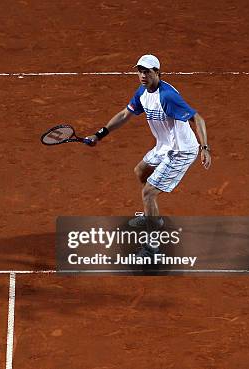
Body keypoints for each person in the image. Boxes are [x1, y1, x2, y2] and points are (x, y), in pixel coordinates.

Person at [85, 54, 212, 256]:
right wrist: (100, 134)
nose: (143, 75)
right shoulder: (142, 92)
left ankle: (152, 247)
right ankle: (151, 216)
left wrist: (204, 148)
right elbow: (125, 114)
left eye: (147, 71)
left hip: (181, 150)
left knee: (149, 192)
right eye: (140, 71)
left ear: (158, 73)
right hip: (164, 146)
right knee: (140, 171)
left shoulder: (167, 96)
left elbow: (198, 118)